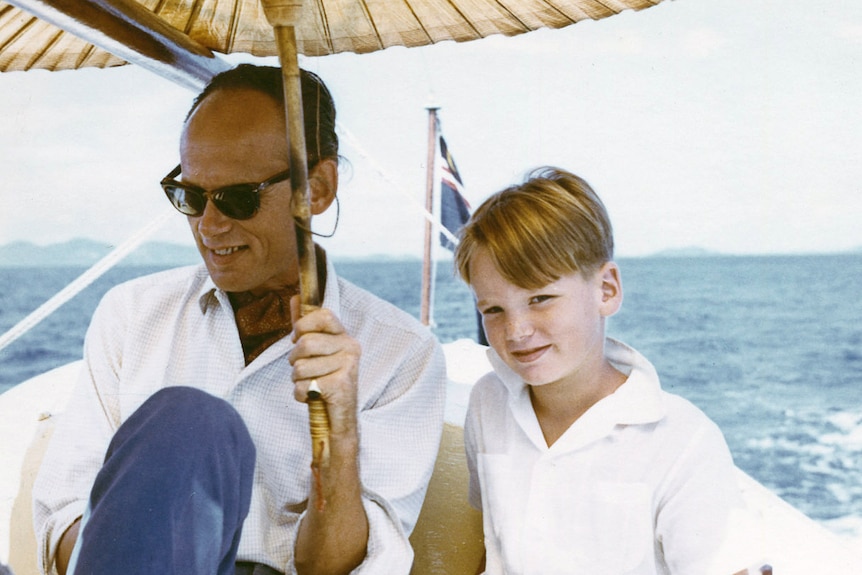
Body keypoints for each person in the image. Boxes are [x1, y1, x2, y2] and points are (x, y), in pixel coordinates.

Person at [32, 64, 447, 575]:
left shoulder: (402, 352)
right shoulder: (130, 314)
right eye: (189, 195)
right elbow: (63, 514)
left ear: (316, 188)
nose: (209, 224)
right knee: (188, 422)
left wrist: (339, 435)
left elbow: (334, 569)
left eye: (237, 198)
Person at [453, 167, 760, 574]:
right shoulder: (486, 402)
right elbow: (494, 545)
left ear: (607, 289)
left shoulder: (682, 439)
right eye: (493, 309)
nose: (517, 331)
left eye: (541, 298)